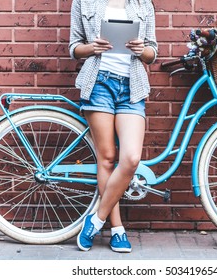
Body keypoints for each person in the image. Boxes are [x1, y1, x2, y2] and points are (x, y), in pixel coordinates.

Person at [69, 0, 158, 253]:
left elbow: (153, 53)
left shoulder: (143, 4)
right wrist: (92, 47)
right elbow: (74, 48)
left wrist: (142, 50)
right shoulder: (83, 2)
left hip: (132, 88)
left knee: (130, 159)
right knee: (107, 158)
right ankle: (117, 229)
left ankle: (95, 220)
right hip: (98, 85)